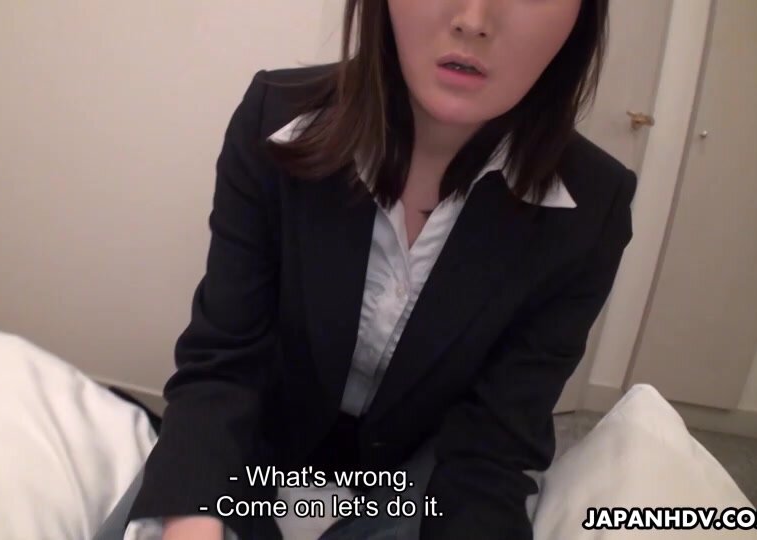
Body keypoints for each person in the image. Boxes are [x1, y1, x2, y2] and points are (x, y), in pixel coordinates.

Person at [104, 0, 635, 538]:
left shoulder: (593, 208)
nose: (473, 20)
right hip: (259, 438)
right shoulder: (274, 115)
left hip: (423, 474)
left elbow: (493, 444)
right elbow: (224, 362)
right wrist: (194, 520)